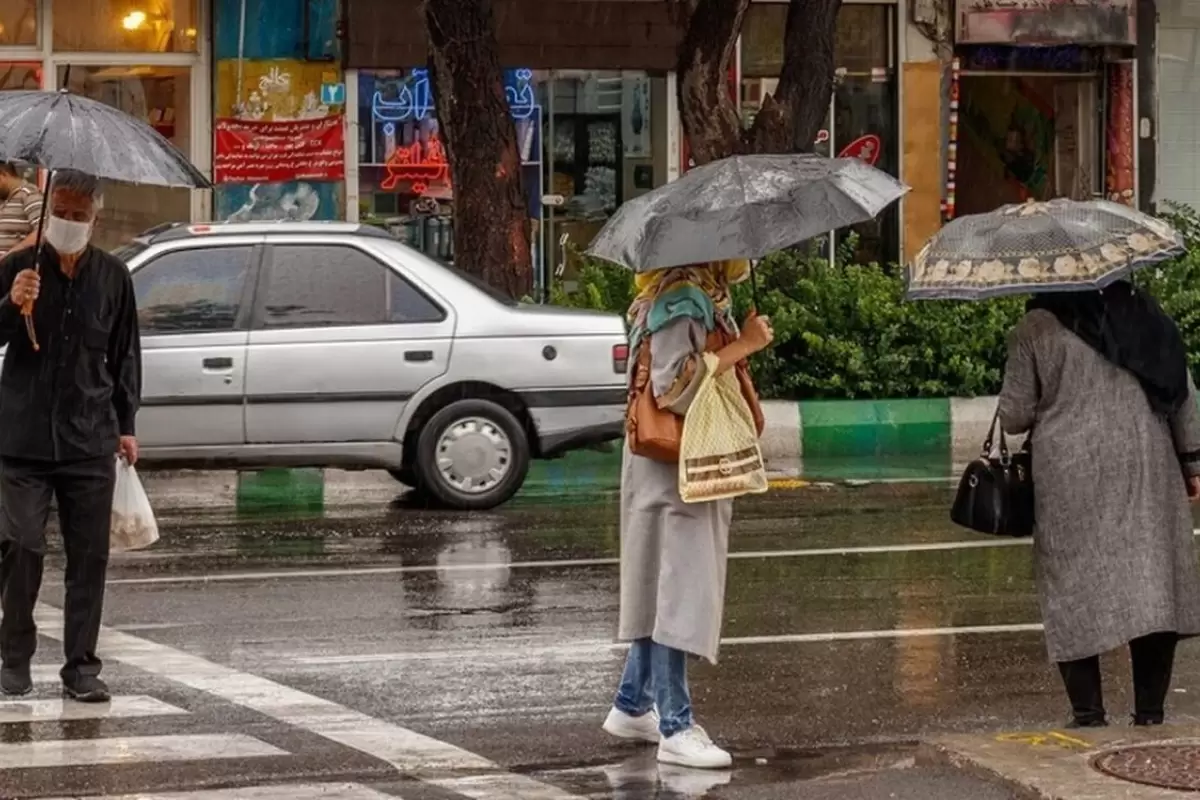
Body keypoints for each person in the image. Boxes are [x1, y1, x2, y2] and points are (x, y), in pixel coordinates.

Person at [998, 281, 1200, 727]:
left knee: (1072, 586)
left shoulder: (1035, 327)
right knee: (1152, 586)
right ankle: (1150, 711)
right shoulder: (1144, 315)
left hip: (1070, 476)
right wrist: (1192, 463)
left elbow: (1013, 417)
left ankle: (1088, 713)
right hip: (1146, 466)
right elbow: (1181, 390)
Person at [601, 260, 773, 769]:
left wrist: (735, 342)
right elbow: (670, 387)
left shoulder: (695, 295)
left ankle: (633, 704)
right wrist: (743, 345)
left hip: (675, 468)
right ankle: (675, 725)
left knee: (663, 583)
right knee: (678, 586)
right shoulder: (682, 301)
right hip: (675, 469)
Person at [0, 170, 141, 702]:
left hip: (89, 435)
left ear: (95, 219)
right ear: (48, 212)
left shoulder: (113, 277)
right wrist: (13, 303)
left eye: (80, 215)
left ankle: (81, 667)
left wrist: (127, 426)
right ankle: (14, 656)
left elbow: (124, 354)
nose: (70, 222)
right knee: (22, 544)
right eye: (62, 212)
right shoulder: (19, 269)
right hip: (23, 438)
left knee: (89, 558)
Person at [0, 162, 44, 257]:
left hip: (14, 267)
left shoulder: (29, 194)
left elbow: (43, 231)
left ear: (3, 174)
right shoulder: (4, 199)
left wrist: (9, 256)